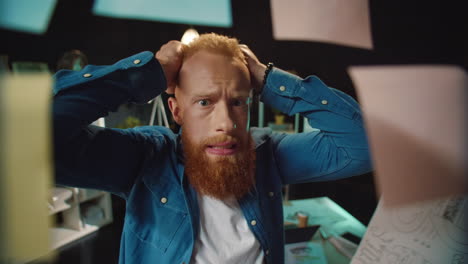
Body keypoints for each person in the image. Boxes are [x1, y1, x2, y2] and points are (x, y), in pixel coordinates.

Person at [53, 33, 372, 264]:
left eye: (237, 102)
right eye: (204, 102)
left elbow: (364, 145)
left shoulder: (266, 155)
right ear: (177, 112)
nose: (227, 123)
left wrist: (266, 78)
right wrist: (148, 73)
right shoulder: (146, 158)